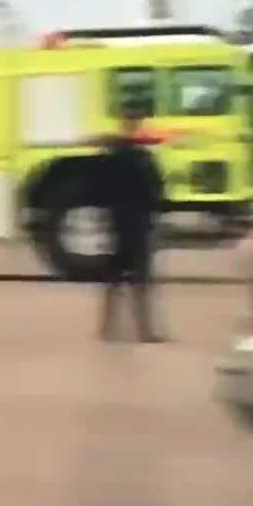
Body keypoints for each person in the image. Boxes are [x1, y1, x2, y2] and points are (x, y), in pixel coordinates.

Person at [98, 113, 166, 342]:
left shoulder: (110, 157)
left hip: (117, 224)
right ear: (137, 128)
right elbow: (156, 191)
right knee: (141, 281)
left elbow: (99, 191)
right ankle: (144, 331)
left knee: (114, 280)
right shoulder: (143, 158)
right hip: (138, 225)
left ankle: (107, 329)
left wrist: (105, 220)